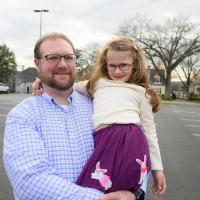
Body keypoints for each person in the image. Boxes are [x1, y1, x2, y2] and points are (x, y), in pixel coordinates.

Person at [3, 32, 139, 200]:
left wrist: (135, 192)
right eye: (53, 57)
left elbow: (135, 148)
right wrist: (101, 199)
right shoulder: (23, 116)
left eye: (68, 57)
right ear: (37, 63)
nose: (62, 64)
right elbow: (30, 182)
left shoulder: (98, 104)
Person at [32, 36, 166, 199]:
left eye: (123, 65)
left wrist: (158, 169)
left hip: (131, 140)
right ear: (105, 64)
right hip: (104, 140)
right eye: (112, 66)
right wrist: (41, 83)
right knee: (95, 181)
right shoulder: (97, 84)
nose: (117, 71)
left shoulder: (140, 93)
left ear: (134, 65)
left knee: (124, 183)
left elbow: (150, 132)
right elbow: (66, 85)